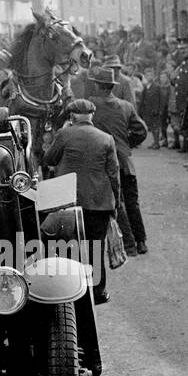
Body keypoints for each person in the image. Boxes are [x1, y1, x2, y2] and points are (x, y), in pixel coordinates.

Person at [42, 97, 120, 304]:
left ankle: (68, 291)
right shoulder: (106, 139)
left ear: (72, 117)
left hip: (68, 202)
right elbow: (114, 174)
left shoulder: (64, 134)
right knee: (96, 246)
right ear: (92, 116)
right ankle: (98, 292)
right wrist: (115, 204)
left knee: (65, 244)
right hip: (99, 203)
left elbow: (48, 159)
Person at [91, 65, 149, 255]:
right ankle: (141, 242)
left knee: (115, 203)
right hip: (124, 161)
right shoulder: (126, 106)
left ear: (98, 86)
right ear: (112, 86)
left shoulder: (91, 105)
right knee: (132, 202)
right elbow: (141, 131)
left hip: (103, 163)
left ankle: (128, 244)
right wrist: (125, 145)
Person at [140, 68, 169, 148]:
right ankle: (155, 142)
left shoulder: (156, 87)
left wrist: (159, 110)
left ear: (153, 76)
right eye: (147, 75)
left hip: (155, 110)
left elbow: (161, 99)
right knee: (151, 127)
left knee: (155, 126)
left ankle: (157, 143)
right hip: (148, 110)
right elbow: (143, 99)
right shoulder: (146, 87)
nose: (149, 77)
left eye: (150, 75)